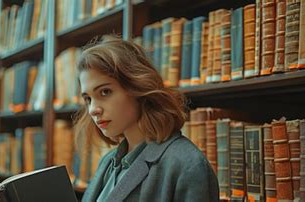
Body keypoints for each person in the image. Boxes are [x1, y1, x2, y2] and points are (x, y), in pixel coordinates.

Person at [73, 35, 219, 202]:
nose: (93, 110)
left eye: (105, 92)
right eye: (88, 99)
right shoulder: (108, 162)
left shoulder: (187, 165)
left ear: (137, 87)